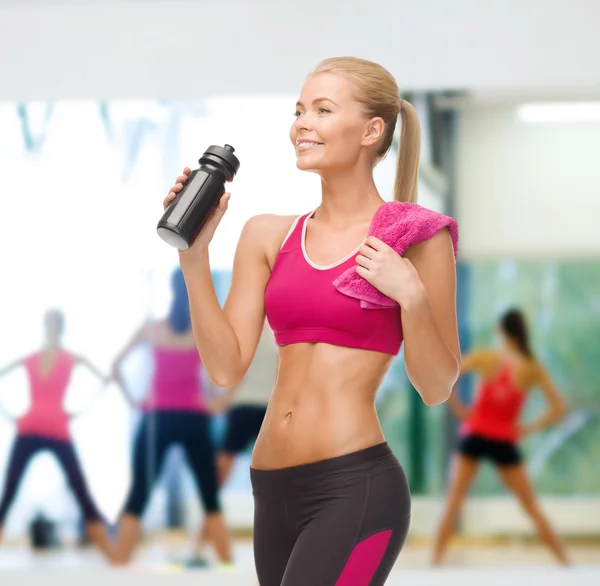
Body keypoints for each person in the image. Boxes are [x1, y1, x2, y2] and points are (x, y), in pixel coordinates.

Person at [163, 56, 460, 586]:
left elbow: (436, 386)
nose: (302, 123)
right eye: (299, 110)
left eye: (323, 110)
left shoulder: (417, 239)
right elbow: (226, 367)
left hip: (355, 486)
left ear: (372, 130)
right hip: (271, 488)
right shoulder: (266, 235)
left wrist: (411, 296)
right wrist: (195, 256)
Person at [110, 267, 232, 566]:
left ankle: (117, 567)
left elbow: (116, 366)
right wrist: (218, 401)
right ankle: (231, 570)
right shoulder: (200, 332)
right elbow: (230, 371)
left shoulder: (153, 329)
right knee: (210, 498)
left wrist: (134, 400)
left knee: (138, 494)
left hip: (158, 417)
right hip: (194, 418)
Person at [432, 308, 571, 566]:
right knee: (531, 507)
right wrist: (528, 428)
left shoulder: (487, 358)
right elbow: (558, 408)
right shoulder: (532, 367)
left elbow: (446, 378)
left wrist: (462, 411)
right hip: (503, 439)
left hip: (476, 434)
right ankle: (567, 565)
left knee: (454, 500)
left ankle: (433, 565)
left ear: (501, 330)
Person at [0, 309, 112, 558]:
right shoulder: (39, 357)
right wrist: (8, 414)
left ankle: (110, 553)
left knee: (80, 490)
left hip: (50, 428)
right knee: (9, 492)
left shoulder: (64, 358)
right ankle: (110, 553)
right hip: (34, 427)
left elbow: (105, 380)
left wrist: (79, 411)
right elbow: (106, 380)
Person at [191, 320, 278, 565]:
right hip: (243, 407)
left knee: (279, 481)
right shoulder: (246, 327)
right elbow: (228, 367)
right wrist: (221, 399)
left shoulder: (282, 326)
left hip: (272, 407)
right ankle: (199, 545)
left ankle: (280, 547)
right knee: (216, 480)